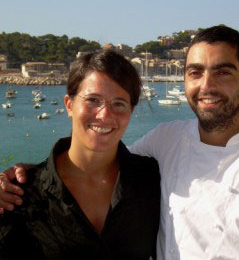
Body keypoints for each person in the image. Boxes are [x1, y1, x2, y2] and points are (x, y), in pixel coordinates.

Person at [1, 25, 239, 259]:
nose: (206, 85)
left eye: (223, 72)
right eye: (195, 72)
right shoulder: (166, 140)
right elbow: (99, 157)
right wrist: (32, 174)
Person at [0, 50, 161, 259]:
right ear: (69, 104)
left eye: (119, 103)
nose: (104, 114)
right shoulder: (21, 194)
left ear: (130, 111)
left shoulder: (151, 179)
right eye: (93, 100)